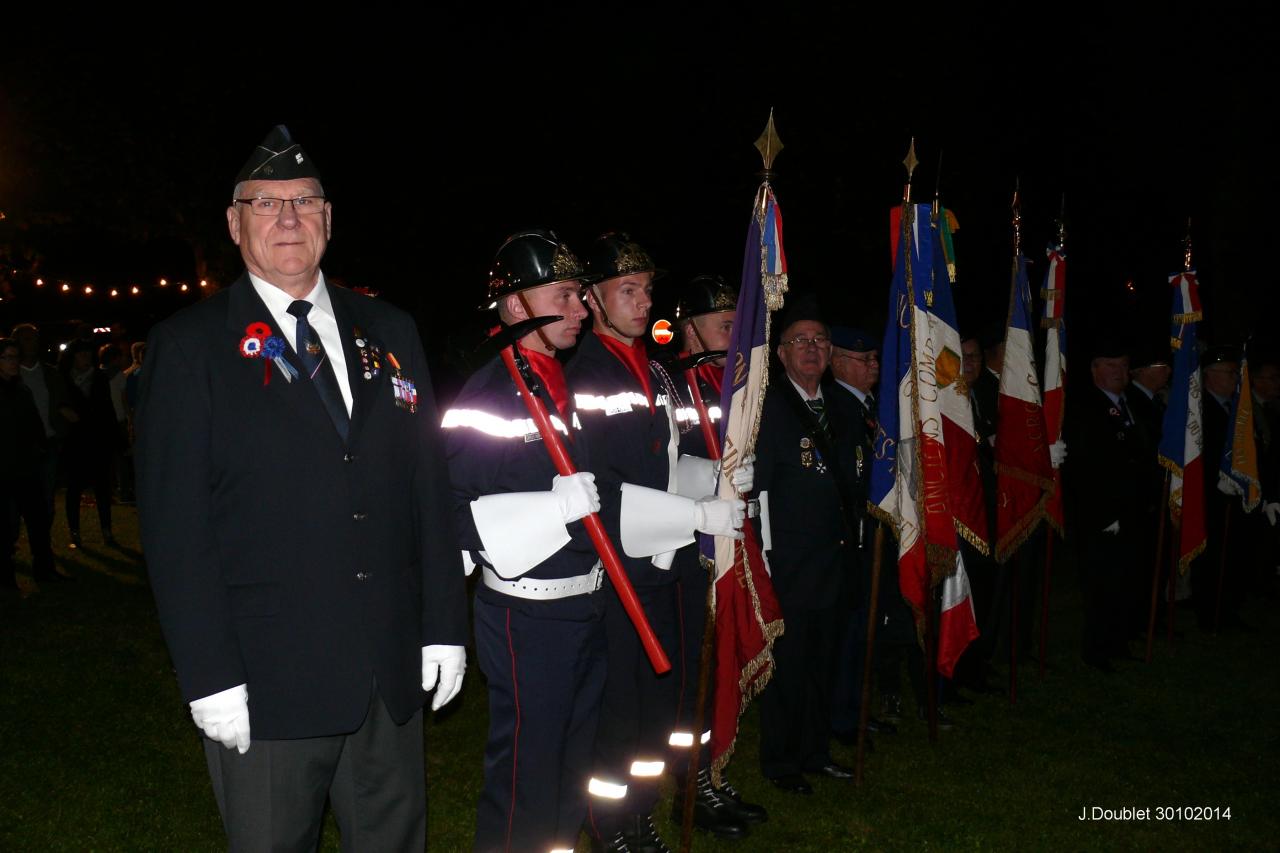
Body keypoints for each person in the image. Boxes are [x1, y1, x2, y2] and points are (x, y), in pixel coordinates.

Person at [137, 125, 468, 851]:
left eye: (305, 201)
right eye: (266, 202)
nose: (288, 217)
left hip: (388, 670)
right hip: (266, 680)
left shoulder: (391, 329)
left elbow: (427, 486)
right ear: (234, 223)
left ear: (329, 218)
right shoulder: (190, 346)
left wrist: (444, 621)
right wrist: (208, 672)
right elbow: (175, 526)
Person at [567, 234, 746, 851]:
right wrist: (693, 508)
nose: (644, 303)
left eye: (647, 289)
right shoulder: (587, 372)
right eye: (628, 290)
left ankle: (639, 813)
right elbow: (603, 485)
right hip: (615, 568)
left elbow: (667, 462)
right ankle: (609, 824)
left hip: (659, 561)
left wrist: (716, 486)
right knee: (618, 713)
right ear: (593, 298)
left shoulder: (656, 369)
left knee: (653, 706)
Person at [442, 230, 606, 852]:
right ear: (515, 306)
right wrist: (552, 508)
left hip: (584, 600)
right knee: (526, 769)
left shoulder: (556, 382)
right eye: (563, 294)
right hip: (527, 610)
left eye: (580, 294)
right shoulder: (488, 395)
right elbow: (453, 515)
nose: (581, 308)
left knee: (572, 761)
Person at [669, 275, 767, 837]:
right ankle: (689, 787)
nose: (734, 335)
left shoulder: (729, 381)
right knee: (693, 677)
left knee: (718, 667)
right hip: (687, 543)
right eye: (725, 325)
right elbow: (662, 463)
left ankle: (709, 775)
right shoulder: (676, 384)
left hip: (731, 536)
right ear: (691, 328)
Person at [753, 300, 864, 794]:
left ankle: (816, 752)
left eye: (820, 339)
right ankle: (782, 761)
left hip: (839, 557)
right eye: (800, 340)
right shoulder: (767, 408)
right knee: (789, 667)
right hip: (790, 562)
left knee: (826, 662)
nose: (812, 348)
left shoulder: (843, 406)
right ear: (780, 353)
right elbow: (755, 487)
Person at [826, 326, 901, 739]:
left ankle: (858, 707)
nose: (873, 366)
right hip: (852, 537)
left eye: (874, 359)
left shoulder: (870, 407)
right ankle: (841, 715)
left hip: (874, 532)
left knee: (870, 624)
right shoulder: (836, 408)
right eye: (863, 359)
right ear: (837, 362)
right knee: (849, 631)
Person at [1065, 342, 1148, 671]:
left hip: (1129, 511)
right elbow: (1085, 467)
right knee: (1100, 584)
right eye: (1111, 365)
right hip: (1099, 515)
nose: (1119, 372)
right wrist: (1105, 514)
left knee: (1123, 580)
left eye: (1124, 365)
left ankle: (1117, 640)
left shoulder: (1128, 404)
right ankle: (1096, 649)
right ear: (1094, 370)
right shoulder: (1086, 407)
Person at [1, 337, 61, 590]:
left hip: (26, 466)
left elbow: (33, 423)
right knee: (5, 525)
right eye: (8, 357)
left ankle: (44, 569)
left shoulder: (20, 389)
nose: (15, 362)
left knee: (38, 519)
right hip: (5, 468)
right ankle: (5, 578)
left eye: (16, 356)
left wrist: (40, 447)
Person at [61, 340, 119, 548]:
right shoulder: (64, 379)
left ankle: (107, 529)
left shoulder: (99, 378)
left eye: (88, 354)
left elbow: (107, 408)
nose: (86, 358)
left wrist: (114, 438)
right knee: (75, 487)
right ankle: (74, 530)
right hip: (75, 440)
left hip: (97, 438)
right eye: (81, 354)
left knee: (102, 487)